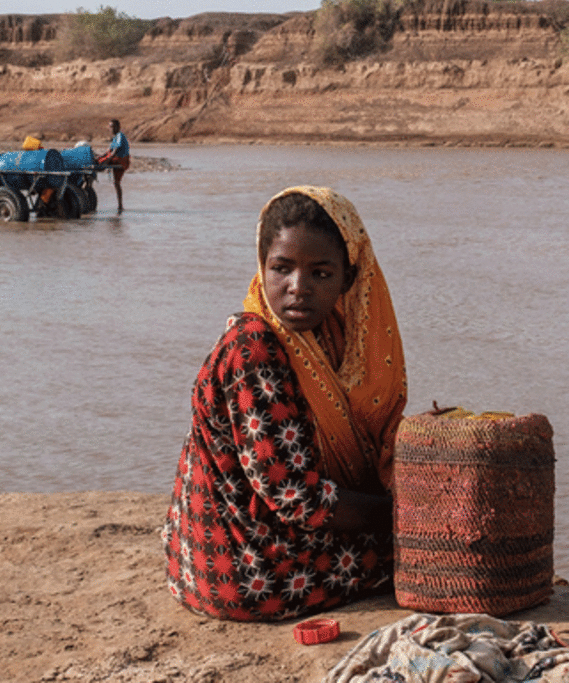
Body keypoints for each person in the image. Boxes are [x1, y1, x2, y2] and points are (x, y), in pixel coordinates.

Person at [162, 186, 408, 621]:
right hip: (243, 569)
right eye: (282, 269)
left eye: (321, 274)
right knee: (420, 551)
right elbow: (296, 497)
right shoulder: (254, 348)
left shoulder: (327, 336)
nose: (299, 288)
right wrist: (402, 514)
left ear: (349, 279)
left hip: (222, 549)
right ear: (262, 267)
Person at [98, 118, 130, 214]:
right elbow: (109, 151)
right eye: (110, 126)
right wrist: (101, 156)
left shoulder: (120, 136)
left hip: (121, 160)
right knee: (116, 183)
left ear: (118, 127)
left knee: (116, 182)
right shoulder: (115, 137)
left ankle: (120, 205)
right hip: (116, 159)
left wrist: (107, 160)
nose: (111, 128)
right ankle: (120, 205)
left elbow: (115, 150)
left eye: (113, 126)